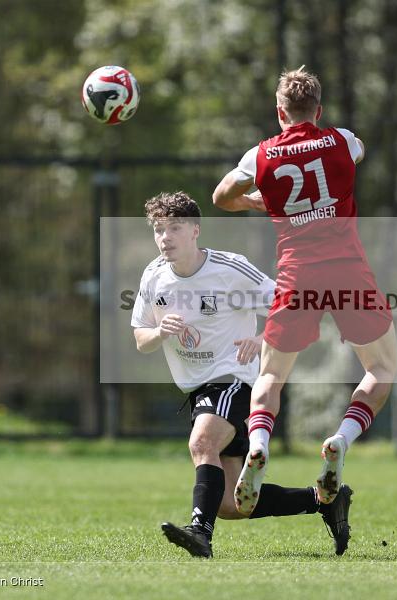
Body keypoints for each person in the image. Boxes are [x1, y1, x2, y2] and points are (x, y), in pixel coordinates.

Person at [212, 67, 397, 517]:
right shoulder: (342, 140)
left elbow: (221, 197)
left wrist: (255, 200)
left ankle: (258, 444)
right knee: (382, 369)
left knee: (271, 378)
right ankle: (341, 439)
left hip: (297, 276)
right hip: (349, 272)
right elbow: (357, 152)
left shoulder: (260, 157)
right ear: (319, 110)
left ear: (279, 112)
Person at [131, 191, 354, 558]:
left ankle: (200, 533)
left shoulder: (230, 269)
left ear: (195, 231)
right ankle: (324, 501)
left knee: (202, 443)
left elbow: (293, 304)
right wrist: (159, 333)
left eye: (174, 227)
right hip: (198, 387)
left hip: (235, 378)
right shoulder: (154, 276)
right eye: (159, 229)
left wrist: (262, 337)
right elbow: (141, 338)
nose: (165, 237)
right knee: (232, 504)